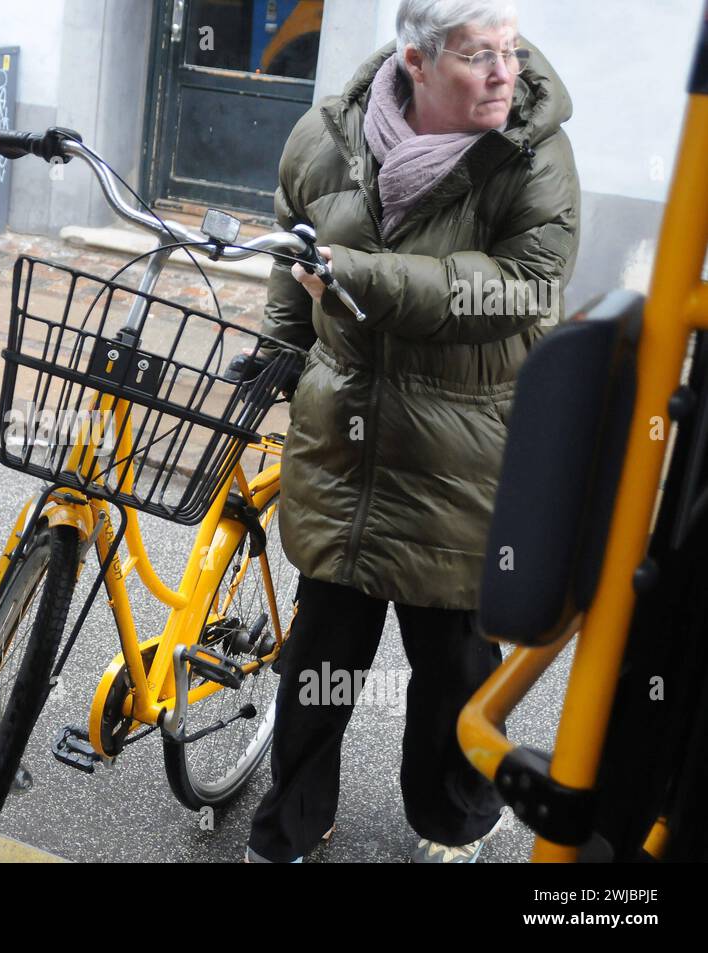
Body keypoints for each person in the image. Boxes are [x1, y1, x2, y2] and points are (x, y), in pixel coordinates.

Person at [238, 0, 580, 863]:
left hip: (464, 453)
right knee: (319, 664)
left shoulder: (531, 152)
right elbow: (297, 256)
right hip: (344, 448)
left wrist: (357, 277)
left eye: (509, 49)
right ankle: (295, 820)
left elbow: (515, 289)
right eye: (479, 56)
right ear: (417, 61)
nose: (506, 71)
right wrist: (277, 351)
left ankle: (455, 815)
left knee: (450, 669)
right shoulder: (327, 139)